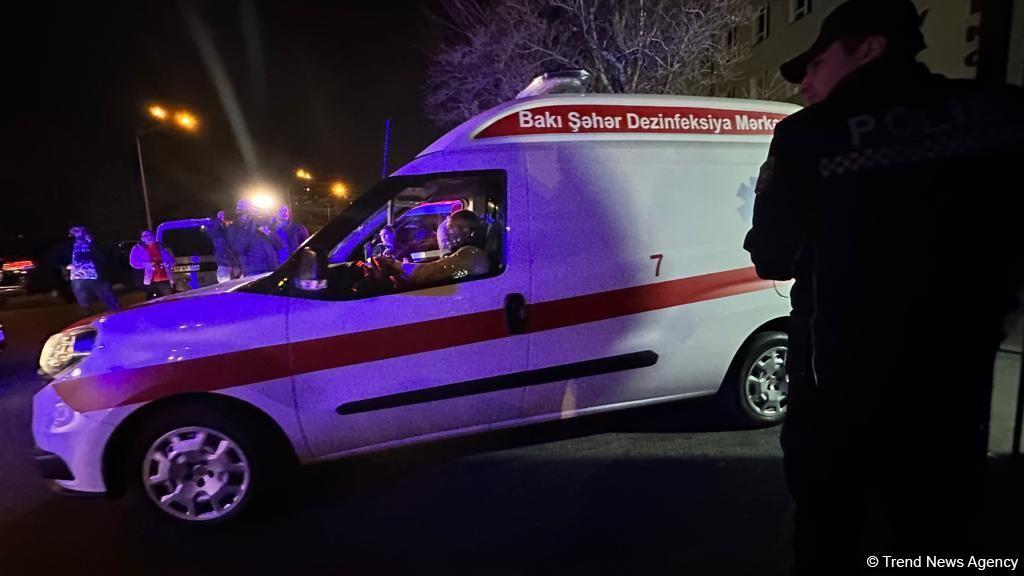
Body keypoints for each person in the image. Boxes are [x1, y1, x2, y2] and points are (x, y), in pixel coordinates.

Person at [742, 0, 1024, 572]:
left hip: (841, 393)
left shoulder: (809, 136)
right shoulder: (997, 111)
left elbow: (772, 256)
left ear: (869, 48)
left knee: (830, 534)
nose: (805, 85)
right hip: (955, 385)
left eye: (817, 64)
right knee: (935, 531)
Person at [375, 210, 489, 288]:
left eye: (450, 229)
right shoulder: (467, 252)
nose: (446, 234)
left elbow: (430, 272)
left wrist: (394, 264)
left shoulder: (471, 254)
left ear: (465, 231)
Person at [66, 226, 120, 313]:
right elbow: (60, 257)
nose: (78, 233)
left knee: (108, 298)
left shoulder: (93, 242)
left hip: (95, 274)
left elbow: (103, 257)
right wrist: (67, 265)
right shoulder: (69, 245)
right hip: (78, 277)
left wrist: (91, 243)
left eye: (80, 230)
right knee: (84, 302)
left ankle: (117, 313)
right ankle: (89, 316)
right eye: (75, 231)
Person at [227, 201, 279, 276]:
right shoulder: (235, 228)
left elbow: (278, 245)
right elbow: (239, 248)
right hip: (254, 271)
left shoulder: (262, 225)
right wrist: (247, 226)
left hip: (272, 269)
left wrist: (269, 233)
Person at [129, 230, 175, 299]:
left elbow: (172, 260)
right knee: (153, 301)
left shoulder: (162, 246)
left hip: (165, 279)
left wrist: (167, 263)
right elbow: (133, 262)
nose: (149, 237)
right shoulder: (138, 248)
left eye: (151, 235)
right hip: (149, 281)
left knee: (168, 300)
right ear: (142, 238)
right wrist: (147, 264)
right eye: (146, 236)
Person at [207, 210, 241, 283]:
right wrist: (218, 221)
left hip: (234, 265)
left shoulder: (231, 231)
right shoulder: (217, 232)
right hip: (225, 265)